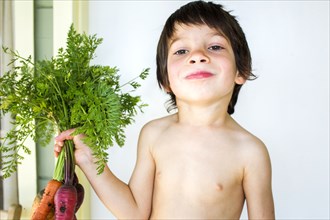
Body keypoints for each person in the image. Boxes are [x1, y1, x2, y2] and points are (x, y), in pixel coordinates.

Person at [54, 1, 275, 219]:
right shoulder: (154, 134)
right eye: (181, 51)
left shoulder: (251, 152)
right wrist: (88, 159)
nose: (197, 56)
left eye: (215, 47)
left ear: (241, 71)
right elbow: (134, 213)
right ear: (166, 80)